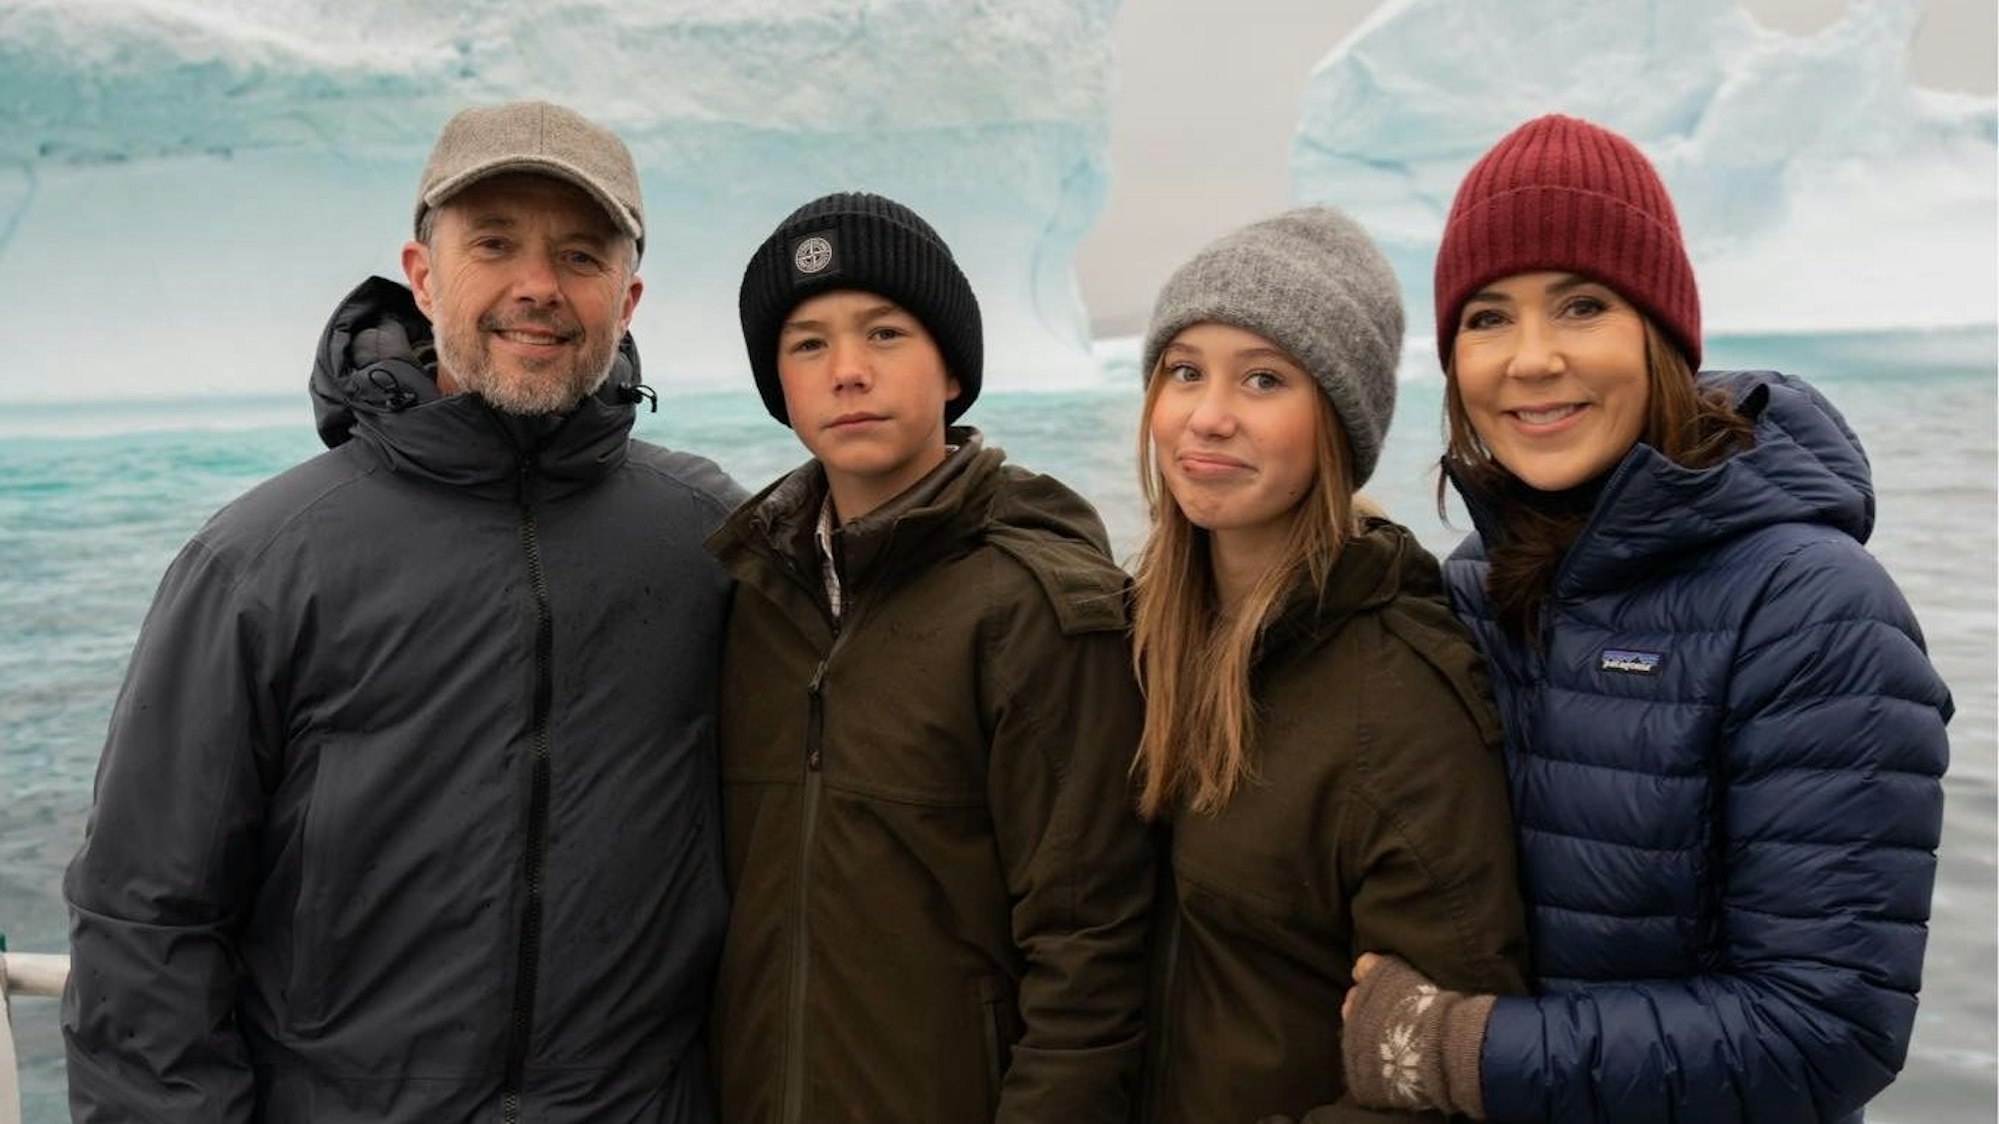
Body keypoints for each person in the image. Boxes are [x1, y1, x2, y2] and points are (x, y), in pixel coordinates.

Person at [62, 100, 743, 1122]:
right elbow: (148, 918)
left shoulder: (709, 541)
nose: (538, 288)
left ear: (628, 296)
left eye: (580, 255)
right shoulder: (260, 560)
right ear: (424, 276)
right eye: (495, 243)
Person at [1338, 113, 1953, 1124]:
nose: (1530, 360)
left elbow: (1825, 1030)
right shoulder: (1473, 584)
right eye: (1486, 317)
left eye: (1581, 306)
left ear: (1659, 334)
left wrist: (1455, 1046)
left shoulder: (1810, 607)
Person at [707, 191, 1153, 1123]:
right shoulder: (749, 595)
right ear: (778, 386)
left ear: (951, 370)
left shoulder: (1035, 606)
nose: (848, 373)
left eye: (885, 334)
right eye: (807, 344)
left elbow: (1090, 948)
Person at [1128, 206, 1531, 1123]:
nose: (1209, 416)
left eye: (1264, 379)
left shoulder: (1398, 703)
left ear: (1337, 425)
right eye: (1184, 372)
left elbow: (1433, 1083)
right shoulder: (1136, 637)